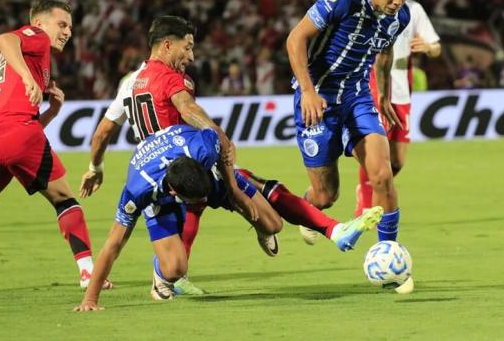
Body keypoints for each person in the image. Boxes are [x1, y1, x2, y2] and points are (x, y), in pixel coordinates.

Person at [74, 124, 383, 311]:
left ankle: (258, 223)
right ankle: (160, 278)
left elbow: (215, 137)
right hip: (164, 202)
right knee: (176, 268)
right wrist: (91, 298)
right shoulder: (138, 190)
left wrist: (232, 188)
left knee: (273, 223)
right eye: (197, 202)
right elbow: (114, 244)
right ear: (173, 191)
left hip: (213, 176)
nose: (204, 204)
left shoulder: (202, 150)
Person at [78, 15, 239, 294]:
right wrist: (218, 135)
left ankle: (170, 273)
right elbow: (189, 111)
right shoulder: (172, 79)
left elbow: (102, 133)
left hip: (150, 171)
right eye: (186, 47)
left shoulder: (130, 82)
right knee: (222, 196)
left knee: (195, 208)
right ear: (166, 45)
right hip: (179, 163)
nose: (190, 55)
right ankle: (166, 273)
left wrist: (95, 166)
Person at [0, 0, 111, 289]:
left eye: (70, 27)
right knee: (64, 200)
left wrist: (51, 112)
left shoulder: (27, 59)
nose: (67, 32)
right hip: (14, 132)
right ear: (39, 23)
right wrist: (29, 79)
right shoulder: (36, 37)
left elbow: (16, 130)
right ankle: (88, 273)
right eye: (62, 24)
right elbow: (4, 38)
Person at [285, 0, 414, 269]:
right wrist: (307, 92)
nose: (398, 1)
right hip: (319, 100)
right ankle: (307, 207)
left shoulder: (401, 17)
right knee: (327, 195)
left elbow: (383, 52)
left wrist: (383, 96)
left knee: (383, 175)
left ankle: (389, 256)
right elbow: (295, 39)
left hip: (358, 99)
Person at [355, 0, 441, 217]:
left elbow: (436, 47)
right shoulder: (367, 6)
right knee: (376, 149)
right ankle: (366, 206)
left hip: (402, 89)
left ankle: (369, 189)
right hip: (372, 85)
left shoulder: (414, 9)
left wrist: (428, 47)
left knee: (397, 161)